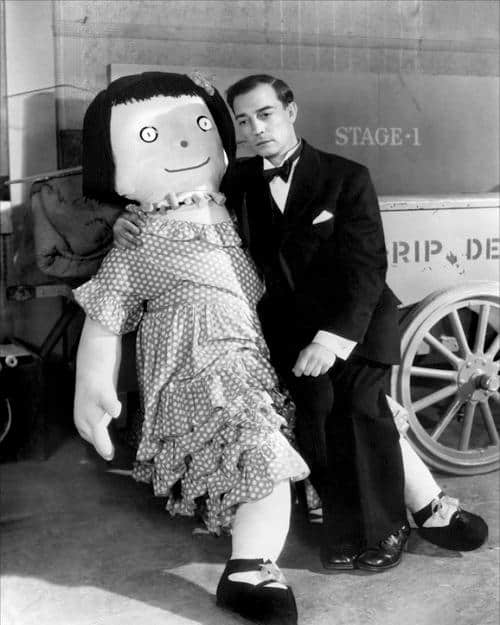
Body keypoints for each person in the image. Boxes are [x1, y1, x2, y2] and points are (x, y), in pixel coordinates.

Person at [73, 71, 310, 625]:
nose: (183, 140)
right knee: (261, 451)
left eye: (201, 125)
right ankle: (249, 569)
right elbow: (106, 313)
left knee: (354, 413)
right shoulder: (138, 240)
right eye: (150, 135)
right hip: (191, 369)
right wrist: (93, 382)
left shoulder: (240, 205)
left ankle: (428, 503)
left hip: (257, 357)